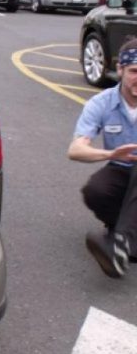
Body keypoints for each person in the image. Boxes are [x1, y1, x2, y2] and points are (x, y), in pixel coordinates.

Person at [69, 37, 137, 278]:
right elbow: (75, 150)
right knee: (95, 190)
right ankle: (125, 238)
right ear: (120, 69)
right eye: (134, 71)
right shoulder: (101, 103)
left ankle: (120, 243)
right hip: (120, 166)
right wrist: (110, 154)